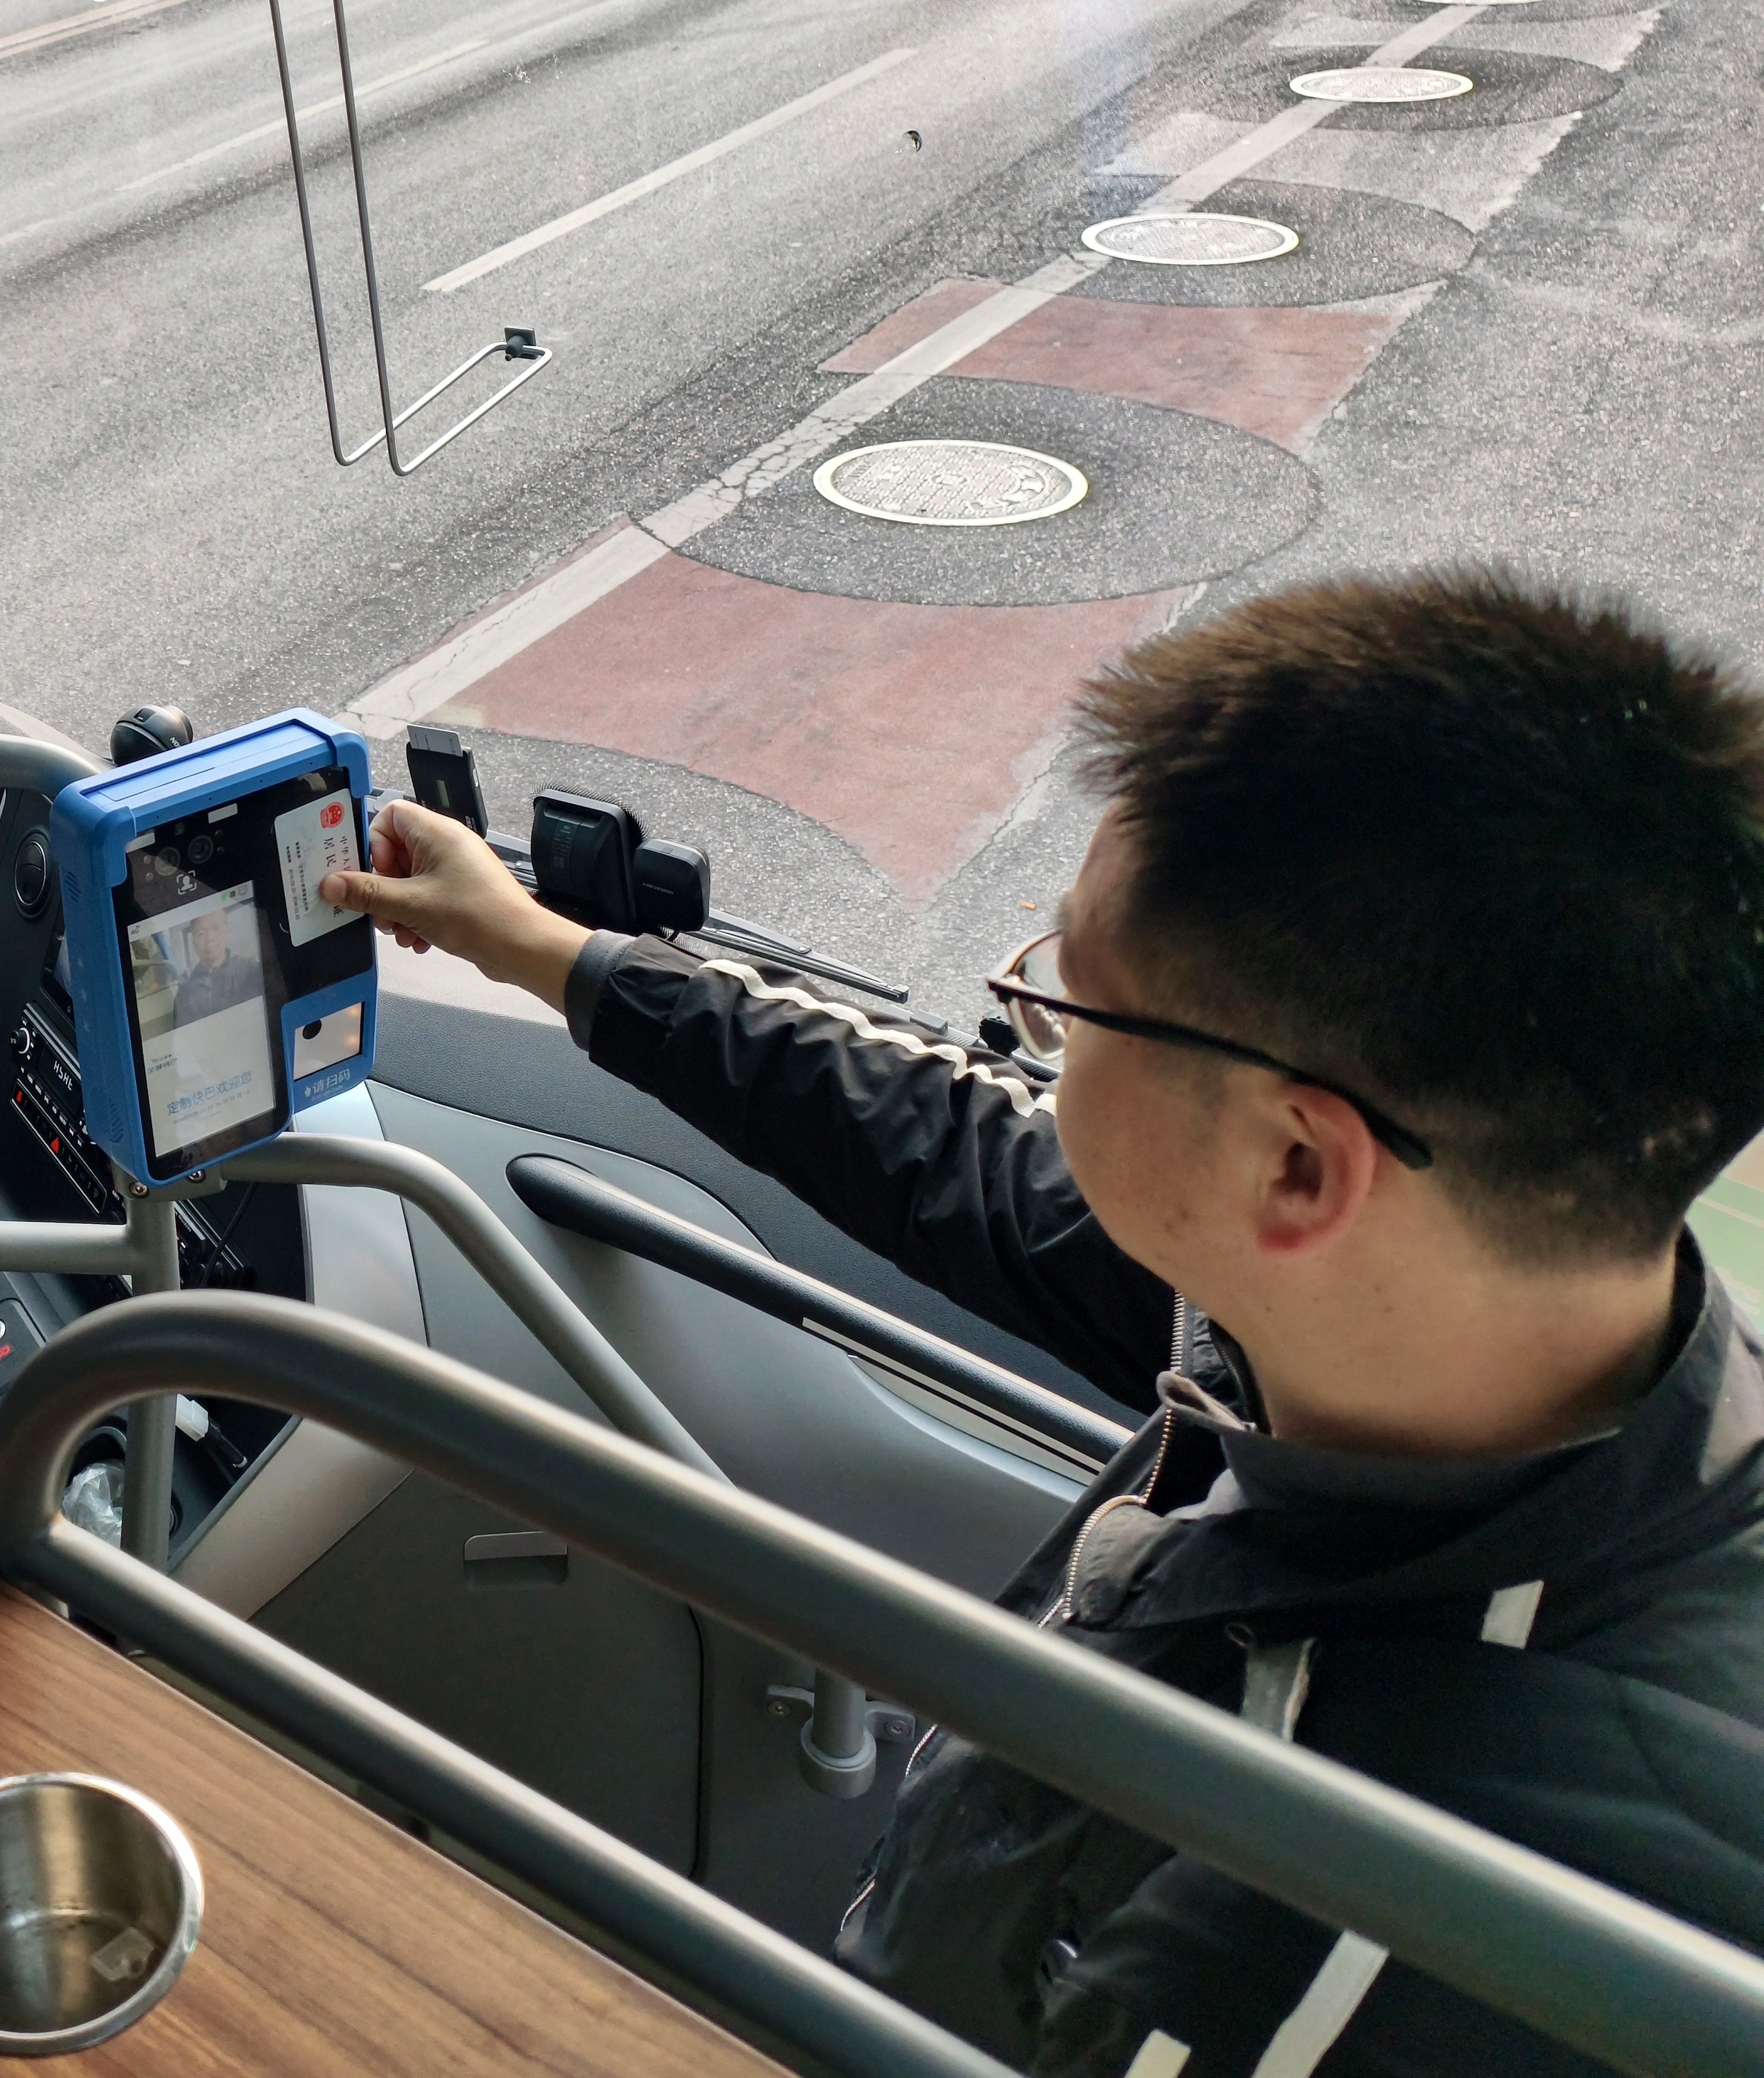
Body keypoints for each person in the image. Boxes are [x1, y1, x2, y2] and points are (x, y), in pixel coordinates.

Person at [319, 571, 1764, 2077]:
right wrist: (541, 947)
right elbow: (951, 1150)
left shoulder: (1338, 1948)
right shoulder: (1430, 1326)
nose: (1034, 1050)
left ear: (1295, 1166)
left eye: (1067, 1004)